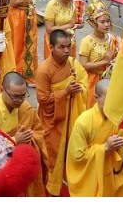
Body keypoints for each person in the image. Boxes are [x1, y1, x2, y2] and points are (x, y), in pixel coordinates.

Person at [66, 79, 123, 196]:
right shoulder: (84, 122)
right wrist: (105, 148)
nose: (114, 103)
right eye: (109, 99)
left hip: (115, 177)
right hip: (93, 179)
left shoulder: (120, 118)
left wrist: (120, 146)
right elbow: (77, 157)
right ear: (96, 97)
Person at [0, 72, 48, 196]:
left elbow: (39, 132)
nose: (20, 100)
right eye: (15, 96)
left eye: (23, 95)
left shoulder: (25, 108)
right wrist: (14, 140)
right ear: (2, 90)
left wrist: (30, 139)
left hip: (21, 167)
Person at [36, 29, 89, 196]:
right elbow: (42, 100)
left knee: (71, 152)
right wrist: (64, 93)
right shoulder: (44, 69)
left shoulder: (73, 64)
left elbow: (85, 84)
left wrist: (78, 89)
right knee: (53, 156)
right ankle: (51, 188)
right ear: (51, 47)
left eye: (68, 46)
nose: (66, 50)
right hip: (53, 120)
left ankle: (70, 184)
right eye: (61, 47)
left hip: (72, 116)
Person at [78, 0, 120, 108]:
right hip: (92, 81)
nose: (106, 24)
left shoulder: (113, 39)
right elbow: (84, 65)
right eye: (102, 22)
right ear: (93, 23)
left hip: (108, 80)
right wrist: (105, 62)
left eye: (107, 21)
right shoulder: (87, 41)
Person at [8, 0, 40, 81]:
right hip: (17, 15)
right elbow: (12, 2)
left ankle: (28, 73)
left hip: (29, 14)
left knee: (30, 43)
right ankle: (15, 73)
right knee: (17, 44)